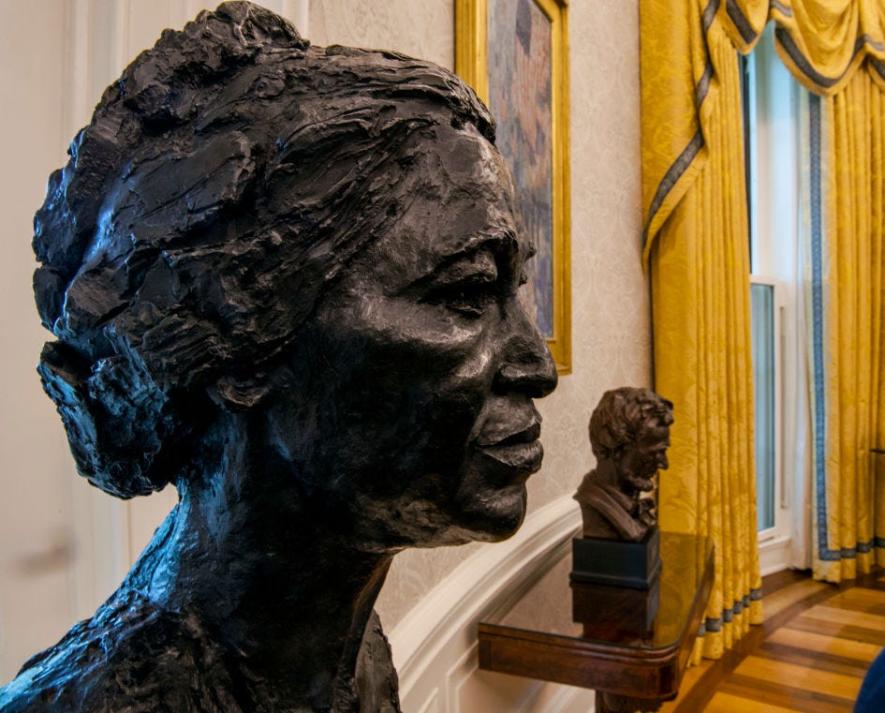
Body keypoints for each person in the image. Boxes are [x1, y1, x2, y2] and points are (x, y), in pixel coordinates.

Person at [0, 3, 556, 711]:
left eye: (513, 287)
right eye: (467, 292)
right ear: (242, 347)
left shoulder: (352, 655)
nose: (535, 367)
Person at [575, 388, 673, 542]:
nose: (664, 464)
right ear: (616, 449)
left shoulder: (632, 507)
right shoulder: (597, 506)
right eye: (654, 452)